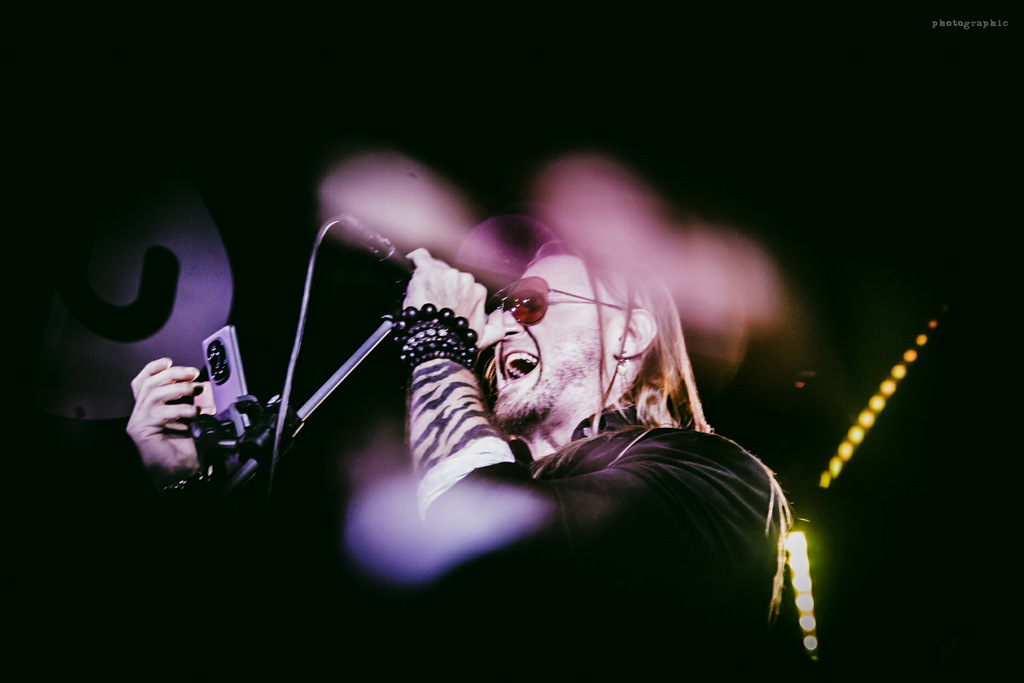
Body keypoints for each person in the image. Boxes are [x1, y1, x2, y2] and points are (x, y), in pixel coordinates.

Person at [126, 235, 794, 669]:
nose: (498, 325)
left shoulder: (714, 477)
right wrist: (181, 486)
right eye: (499, 307)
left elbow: (502, 571)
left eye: (529, 304)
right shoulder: (434, 494)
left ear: (628, 335)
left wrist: (435, 337)